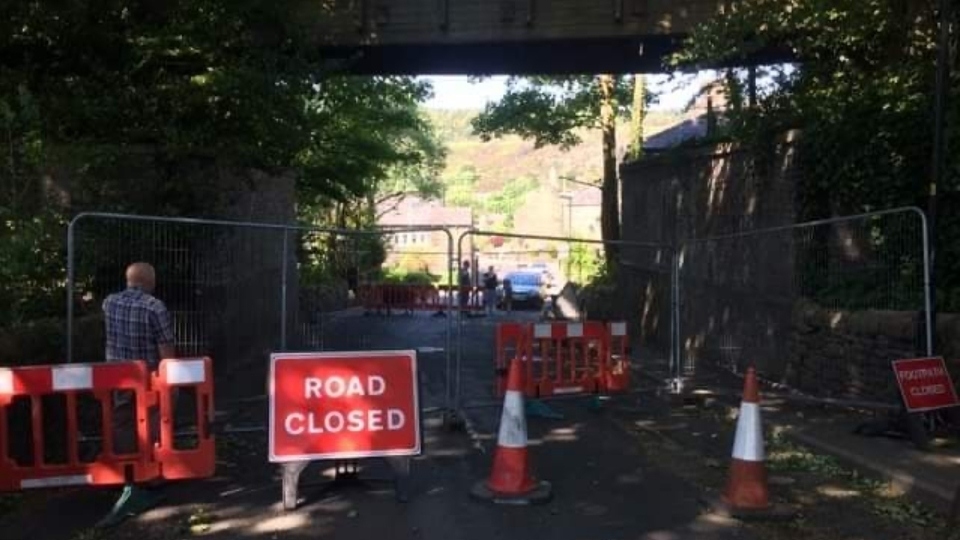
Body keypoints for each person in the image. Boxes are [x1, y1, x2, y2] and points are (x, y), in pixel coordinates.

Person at [100, 262, 176, 525]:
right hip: (148, 375)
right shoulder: (154, 306)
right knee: (154, 420)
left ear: (129, 279)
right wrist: (171, 376)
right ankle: (151, 474)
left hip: (117, 374)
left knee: (121, 421)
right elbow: (165, 345)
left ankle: (124, 471)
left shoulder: (108, 303)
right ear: (150, 282)